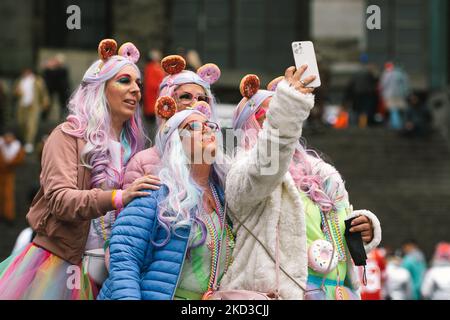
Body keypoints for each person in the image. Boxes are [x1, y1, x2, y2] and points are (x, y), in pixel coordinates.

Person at [0, 39, 156, 300]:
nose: (136, 90)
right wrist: (118, 197)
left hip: (114, 274)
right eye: (124, 81)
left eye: (138, 84)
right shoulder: (67, 136)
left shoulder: (137, 150)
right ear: (100, 89)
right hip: (62, 267)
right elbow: (60, 200)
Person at [218, 66, 382, 300]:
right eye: (267, 118)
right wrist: (288, 105)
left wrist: (364, 229)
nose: (275, 124)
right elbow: (269, 157)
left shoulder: (321, 173)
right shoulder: (242, 174)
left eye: (278, 115)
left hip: (336, 292)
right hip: (285, 292)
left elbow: (336, 230)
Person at [98, 105, 230, 300]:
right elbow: (124, 258)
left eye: (209, 125)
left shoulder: (224, 197)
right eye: (193, 126)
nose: (205, 129)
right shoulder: (155, 191)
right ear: (175, 143)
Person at [123, 55, 222, 188]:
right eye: (185, 97)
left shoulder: (217, 162)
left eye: (202, 99)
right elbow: (135, 207)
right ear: (167, 103)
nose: (195, 105)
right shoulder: (142, 162)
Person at [14, 68, 50, 153]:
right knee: (21, 123)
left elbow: (43, 92)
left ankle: (29, 142)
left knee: (31, 124)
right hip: (22, 106)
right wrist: (17, 92)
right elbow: (15, 92)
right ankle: (25, 139)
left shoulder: (37, 80)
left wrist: (45, 102)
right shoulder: (20, 81)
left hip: (33, 106)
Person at [343, 53, 379, 128]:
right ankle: (363, 124)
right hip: (368, 94)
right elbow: (376, 80)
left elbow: (351, 84)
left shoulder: (356, 72)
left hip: (357, 93)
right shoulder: (370, 71)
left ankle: (356, 124)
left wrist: (348, 96)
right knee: (365, 109)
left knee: (357, 109)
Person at [0, 128, 25, 224]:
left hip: (9, 174)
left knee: (8, 194)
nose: (8, 139)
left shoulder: (17, 148)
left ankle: (8, 215)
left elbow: (20, 159)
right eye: (7, 137)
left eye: (10, 137)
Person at [379, 62, 410, 130]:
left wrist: (382, 94)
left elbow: (383, 85)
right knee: (401, 110)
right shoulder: (403, 74)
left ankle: (396, 125)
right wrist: (406, 94)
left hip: (390, 94)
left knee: (393, 109)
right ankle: (401, 124)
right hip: (401, 94)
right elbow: (406, 85)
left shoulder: (387, 74)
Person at [143, 49, 165, 122]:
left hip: (157, 97)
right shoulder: (151, 67)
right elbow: (151, 83)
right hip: (154, 98)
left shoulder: (157, 67)